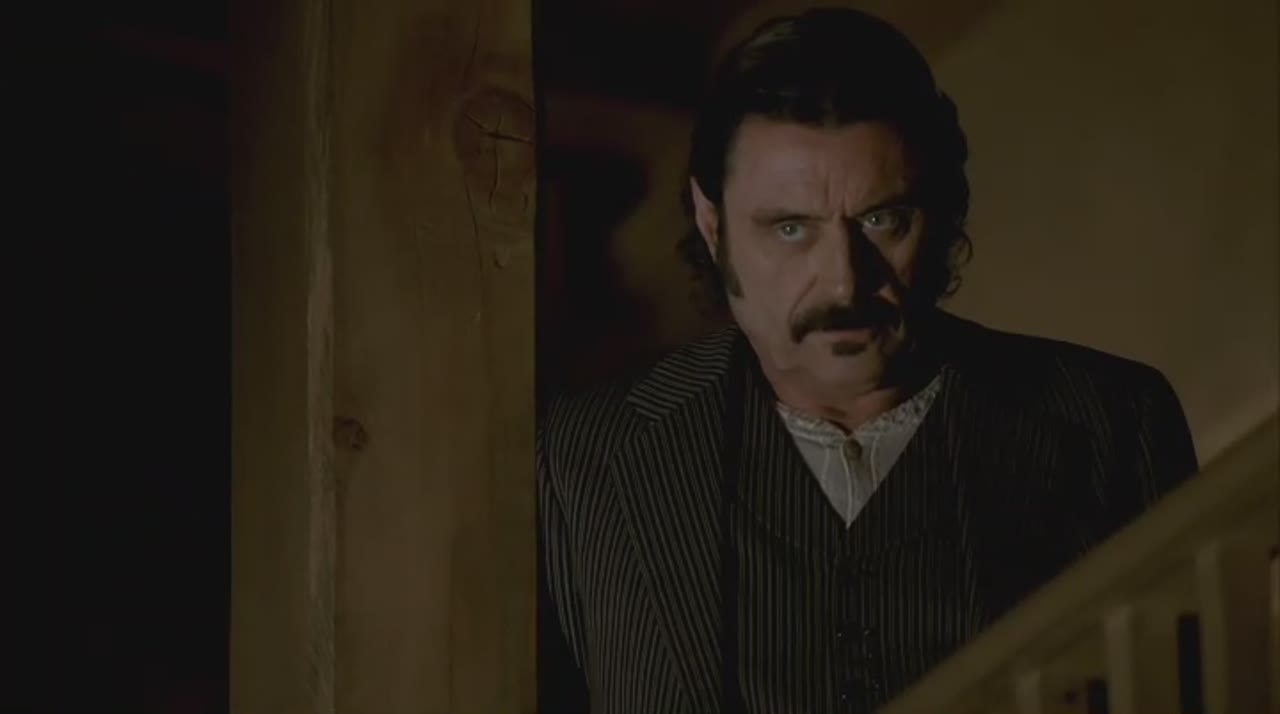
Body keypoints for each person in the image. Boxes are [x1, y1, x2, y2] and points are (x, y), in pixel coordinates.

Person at [537, 8, 1198, 713]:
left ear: (939, 212)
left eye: (884, 221)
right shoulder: (587, 458)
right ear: (712, 222)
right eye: (789, 228)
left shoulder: (1110, 423)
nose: (845, 283)